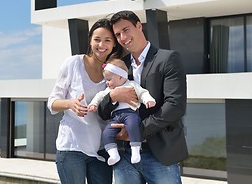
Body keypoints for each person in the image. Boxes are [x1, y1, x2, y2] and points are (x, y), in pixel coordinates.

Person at [97, 10, 188, 184]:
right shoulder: (119, 66)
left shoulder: (168, 58)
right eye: (117, 34)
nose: (123, 37)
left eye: (126, 30)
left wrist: (136, 132)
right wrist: (114, 96)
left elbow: (175, 105)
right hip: (124, 156)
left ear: (139, 26)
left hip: (160, 153)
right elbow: (102, 112)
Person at [47, 18, 124, 184]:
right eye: (97, 39)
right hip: (71, 147)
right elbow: (52, 102)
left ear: (114, 44)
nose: (101, 44)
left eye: (107, 40)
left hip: (102, 149)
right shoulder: (73, 63)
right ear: (90, 41)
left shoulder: (115, 72)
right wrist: (70, 104)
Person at [88, 58, 155, 166]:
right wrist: (93, 104)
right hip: (115, 117)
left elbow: (142, 93)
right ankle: (113, 154)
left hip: (130, 114)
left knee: (133, 126)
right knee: (106, 133)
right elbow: (99, 96)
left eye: (109, 79)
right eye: (106, 80)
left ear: (121, 77)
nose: (107, 82)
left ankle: (135, 151)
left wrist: (148, 100)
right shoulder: (109, 90)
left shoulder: (131, 84)